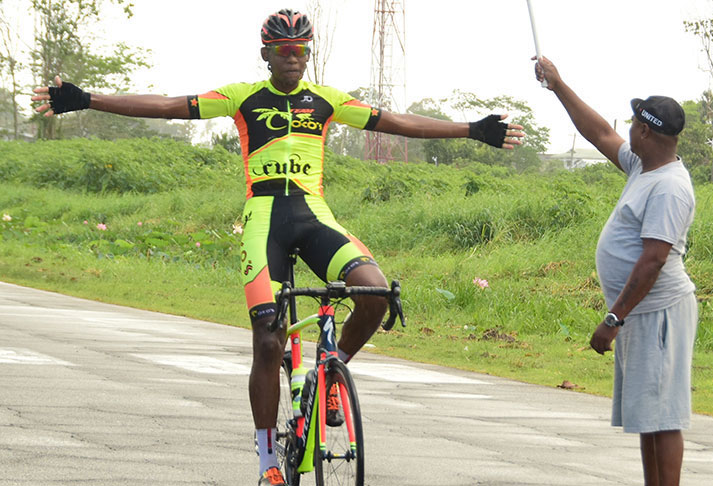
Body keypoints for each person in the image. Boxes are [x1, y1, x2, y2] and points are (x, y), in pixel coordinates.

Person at [33, 9, 525, 486]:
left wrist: (473, 130)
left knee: (374, 293)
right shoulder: (242, 96)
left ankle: (330, 377)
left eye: (301, 50)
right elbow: (167, 105)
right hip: (263, 220)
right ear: (266, 54)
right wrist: (88, 99)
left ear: (308, 55)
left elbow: (395, 122)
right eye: (284, 50)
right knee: (269, 337)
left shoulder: (326, 101)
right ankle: (267, 451)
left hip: (314, 215)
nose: (294, 57)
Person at [534, 56, 697, 486]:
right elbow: (599, 132)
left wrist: (613, 318)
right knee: (649, 415)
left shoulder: (670, 187)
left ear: (644, 131)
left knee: (663, 417)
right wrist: (558, 85)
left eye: (632, 124)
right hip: (641, 314)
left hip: (657, 313)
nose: (624, 130)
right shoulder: (645, 165)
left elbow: (653, 261)